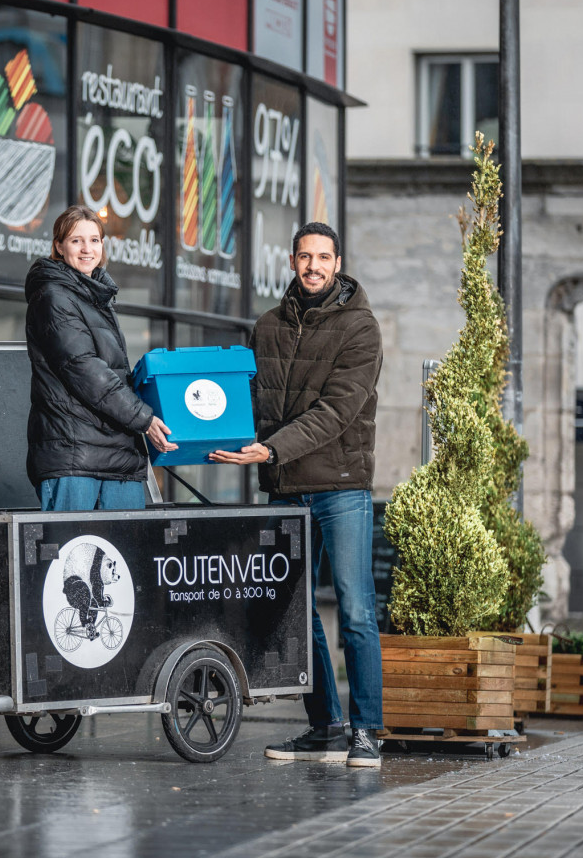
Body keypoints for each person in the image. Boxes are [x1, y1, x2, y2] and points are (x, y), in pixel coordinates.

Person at [210, 221, 384, 768]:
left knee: (355, 611)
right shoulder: (267, 327)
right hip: (286, 489)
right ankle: (325, 728)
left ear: (338, 263)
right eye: (304, 257)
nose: (313, 266)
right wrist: (205, 431)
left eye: (323, 258)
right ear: (291, 262)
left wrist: (269, 451)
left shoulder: (361, 329)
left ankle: (367, 731)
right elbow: (248, 404)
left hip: (340, 488)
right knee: (295, 611)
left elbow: (335, 413)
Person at [25, 204, 176, 511]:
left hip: (118, 456)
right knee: (69, 557)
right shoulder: (54, 296)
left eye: (94, 240)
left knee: (126, 556)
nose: (87, 249)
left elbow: (114, 374)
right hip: (74, 456)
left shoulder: (96, 296)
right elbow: (85, 370)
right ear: (58, 246)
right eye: (76, 240)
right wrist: (144, 419)